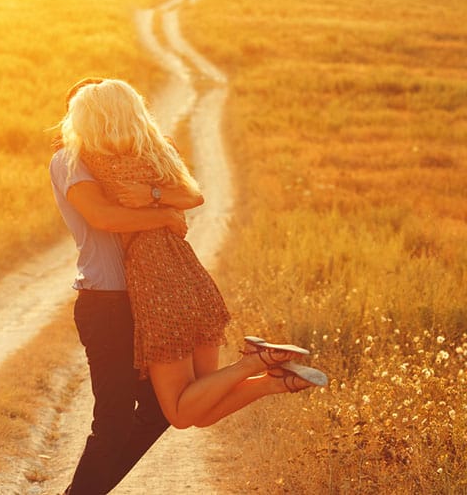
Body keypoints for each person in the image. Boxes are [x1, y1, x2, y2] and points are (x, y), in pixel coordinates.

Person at [57, 78, 328, 434]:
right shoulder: (156, 151)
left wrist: (155, 205)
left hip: (158, 288)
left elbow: (104, 217)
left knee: (182, 415)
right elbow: (193, 196)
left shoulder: (94, 161)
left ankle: (255, 363)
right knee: (202, 407)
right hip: (190, 279)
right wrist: (162, 204)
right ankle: (274, 380)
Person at [49, 78, 206, 494]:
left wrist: (156, 194)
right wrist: (164, 216)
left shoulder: (134, 159)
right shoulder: (70, 161)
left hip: (149, 301)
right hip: (106, 304)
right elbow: (105, 218)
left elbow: (190, 194)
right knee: (115, 418)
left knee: (159, 410)